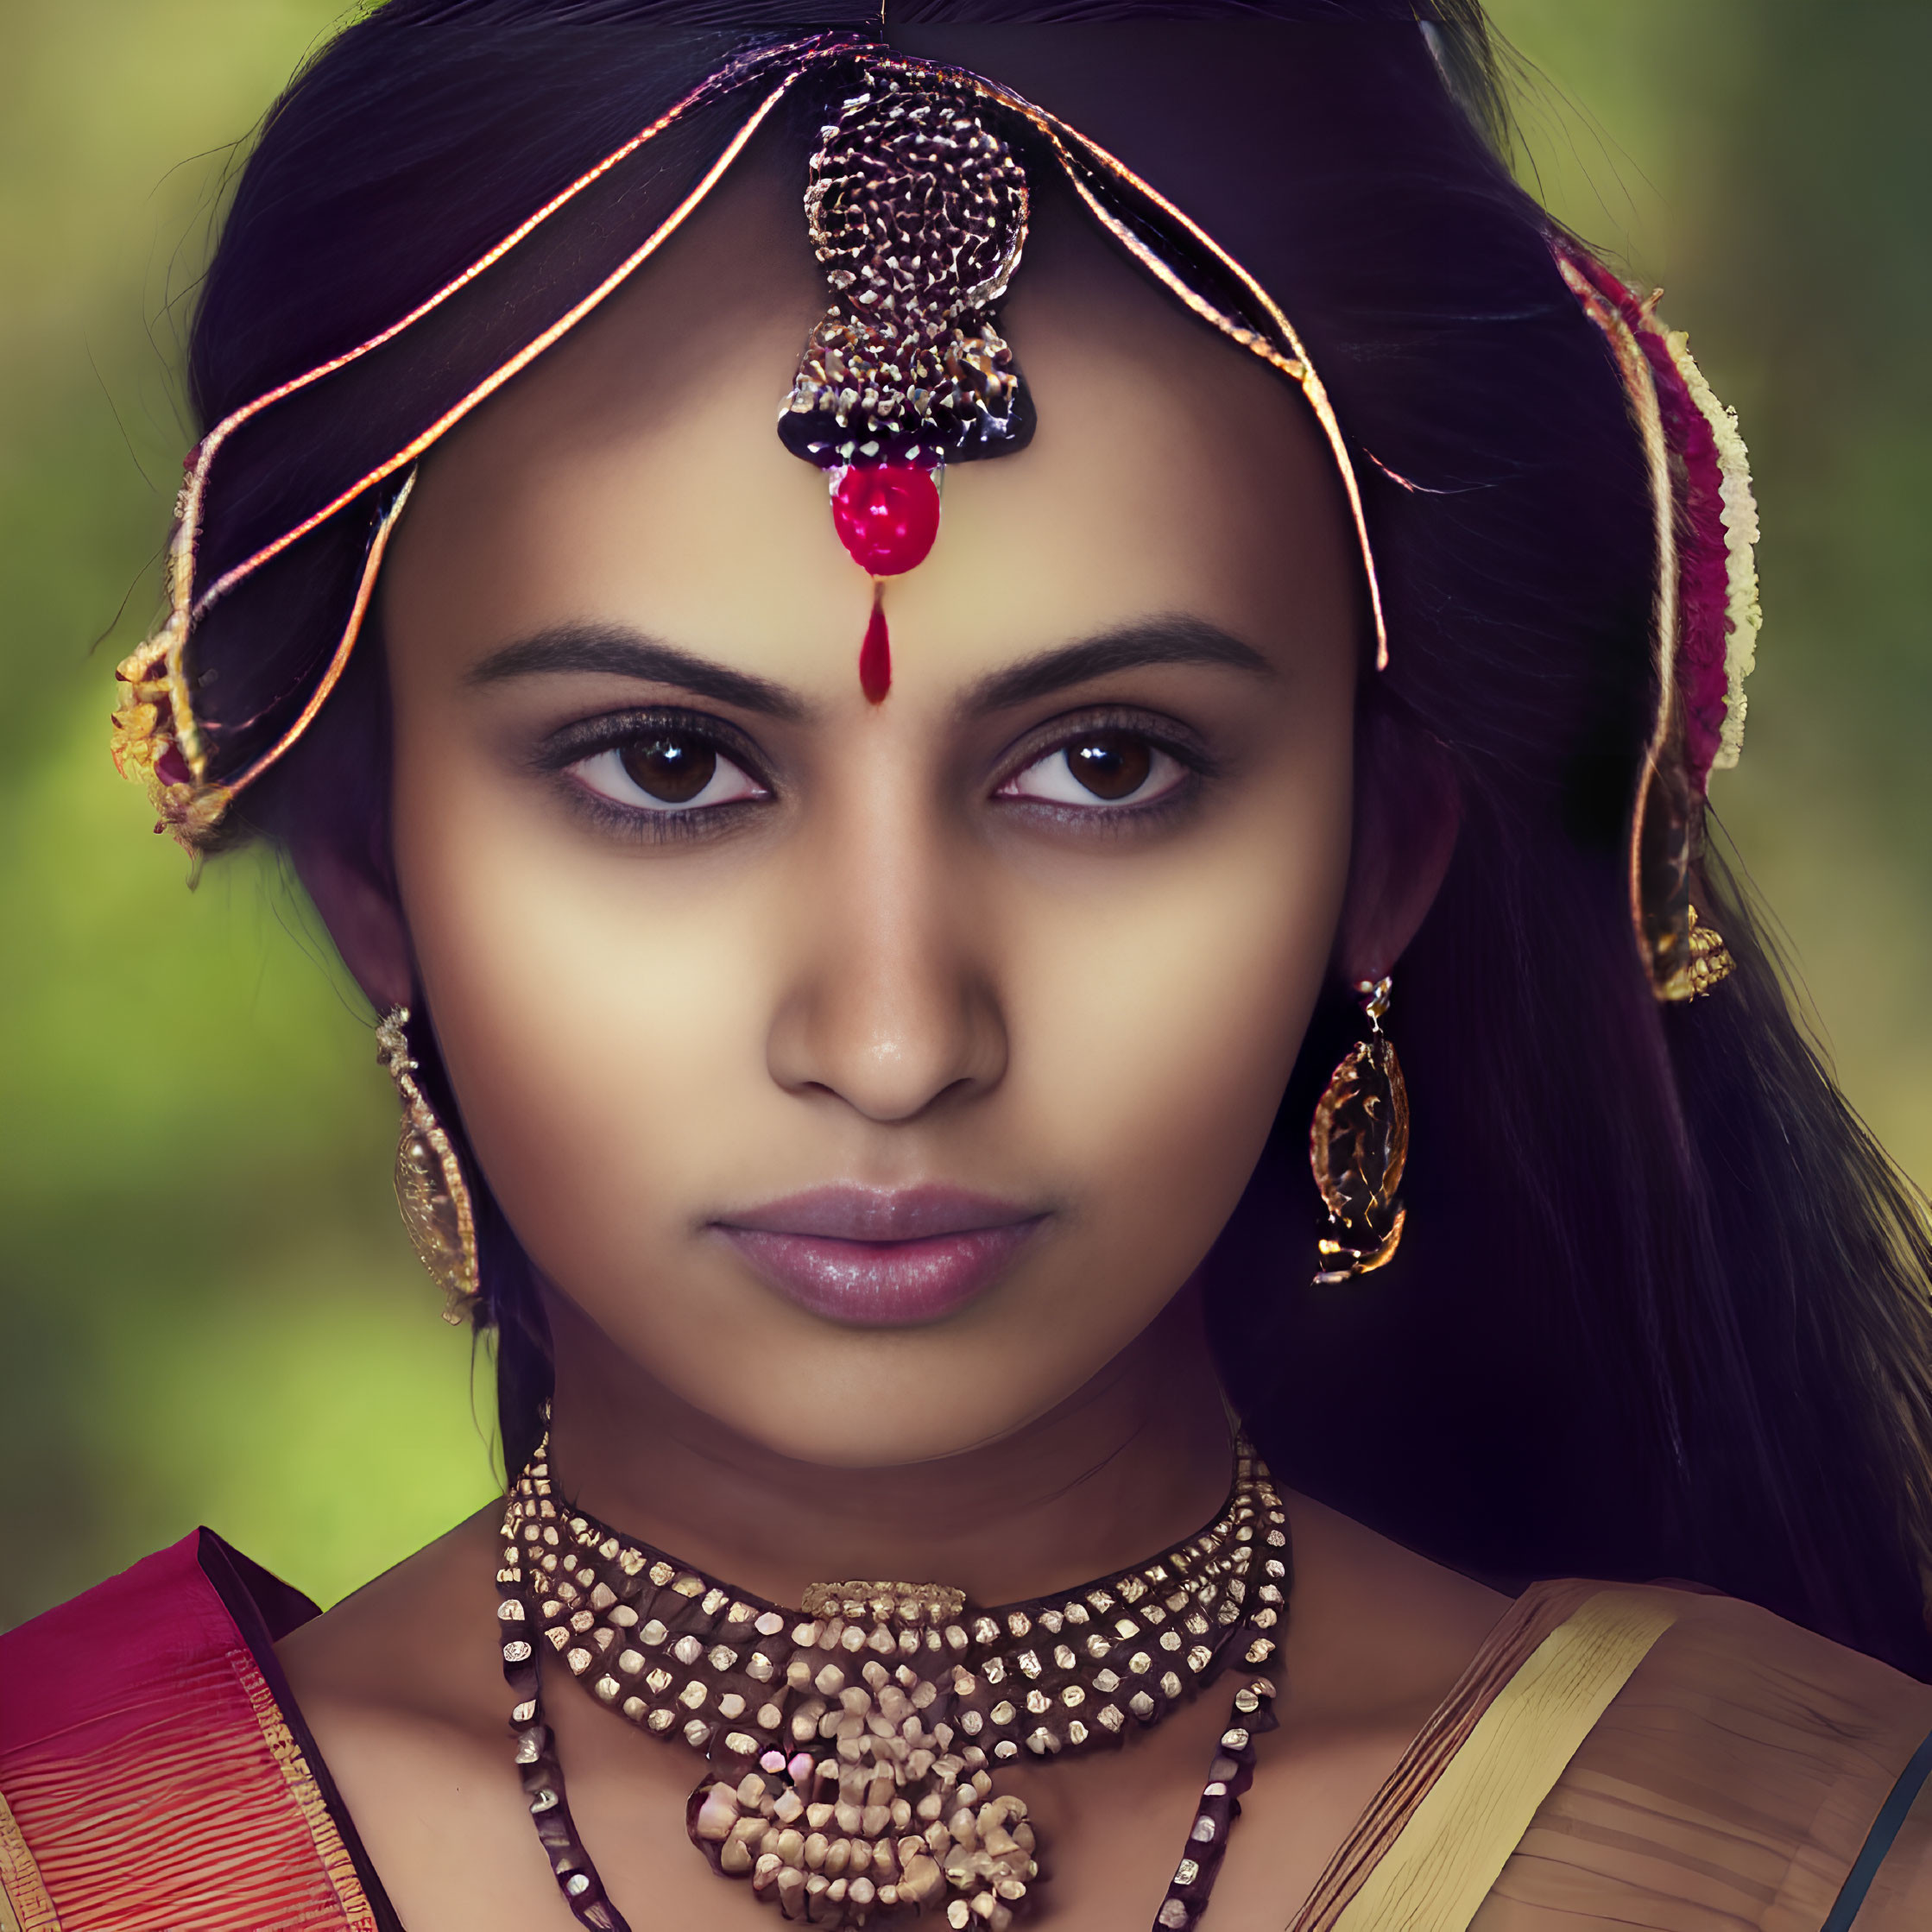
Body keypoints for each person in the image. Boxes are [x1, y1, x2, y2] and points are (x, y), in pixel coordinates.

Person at [4, 4, 1931, 1928]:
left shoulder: (1807, 1858)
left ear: (1381, 863)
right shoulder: (67, 1860)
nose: (896, 1037)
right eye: (667, 767)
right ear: (373, 872)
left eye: (1107, 766)